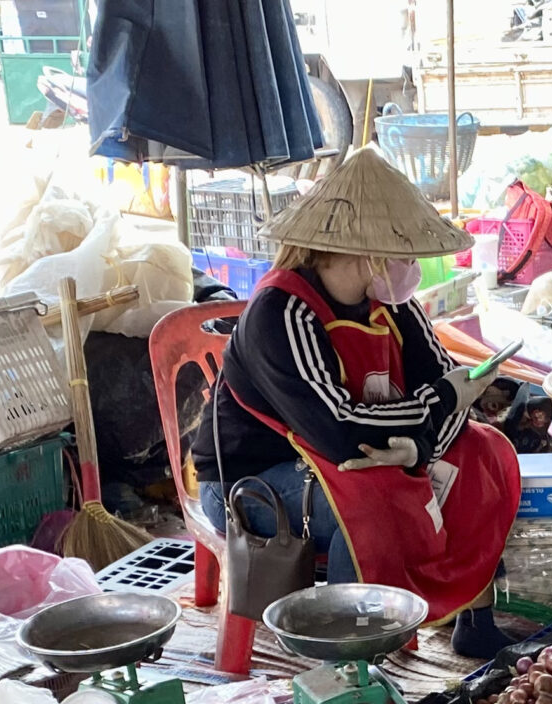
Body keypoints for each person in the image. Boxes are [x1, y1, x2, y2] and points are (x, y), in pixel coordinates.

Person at [189, 147, 519, 658]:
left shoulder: (392, 305)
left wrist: (418, 451)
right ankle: (348, 661)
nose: (410, 267)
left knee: (484, 452)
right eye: (402, 253)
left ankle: (473, 615)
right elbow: (339, 428)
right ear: (365, 252)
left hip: (368, 447)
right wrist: (432, 416)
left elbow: (453, 397)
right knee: (370, 498)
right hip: (252, 479)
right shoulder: (282, 313)